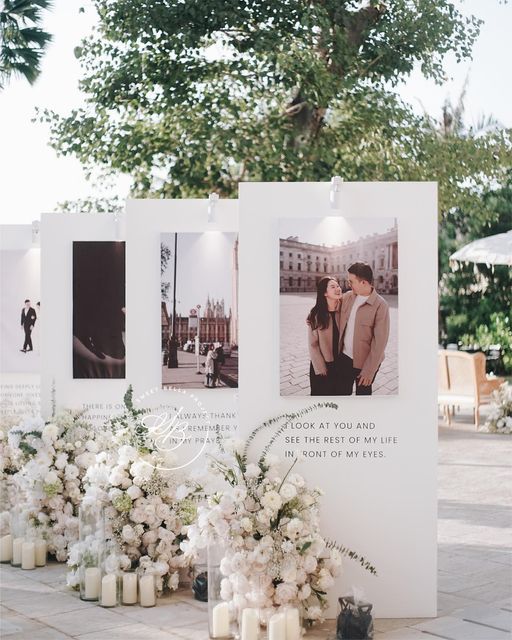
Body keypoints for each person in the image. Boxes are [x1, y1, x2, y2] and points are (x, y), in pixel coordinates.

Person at [336, 262, 390, 396]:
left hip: (366, 363)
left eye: (351, 281)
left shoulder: (381, 305)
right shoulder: (348, 297)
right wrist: (314, 314)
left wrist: (369, 370)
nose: (348, 284)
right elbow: (329, 305)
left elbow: (380, 343)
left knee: (363, 397)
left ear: (364, 283)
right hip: (345, 358)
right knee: (342, 395)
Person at [307, 277, 342, 395]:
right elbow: (313, 345)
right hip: (323, 367)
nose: (338, 289)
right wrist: (320, 367)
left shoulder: (344, 311)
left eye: (338, 286)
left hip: (340, 366)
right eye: (333, 287)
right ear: (325, 293)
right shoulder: (316, 315)